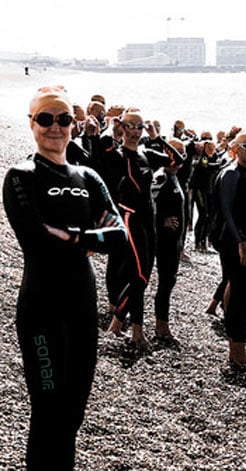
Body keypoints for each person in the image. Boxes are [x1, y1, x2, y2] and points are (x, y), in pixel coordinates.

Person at [3, 85, 127, 471]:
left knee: (72, 411)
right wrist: (88, 235)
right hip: (40, 308)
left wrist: (74, 237)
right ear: (31, 122)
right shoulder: (20, 176)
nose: (56, 127)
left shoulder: (88, 176)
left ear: (74, 124)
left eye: (63, 119)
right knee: (47, 410)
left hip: (80, 306)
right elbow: (34, 237)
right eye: (45, 119)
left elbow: (117, 236)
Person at [91, 108, 182, 349]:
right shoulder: (118, 155)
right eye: (129, 126)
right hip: (129, 219)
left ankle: (119, 325)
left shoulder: (146, 154)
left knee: (142, 276)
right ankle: (135, 331)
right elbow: (101, 148)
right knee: (139, 276)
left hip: (147, 221)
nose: (134, 131)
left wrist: (156, 137)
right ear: (122, 127)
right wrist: (112, 128)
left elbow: (176, 161)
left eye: (139, 126)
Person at [214, 131, 246, 370]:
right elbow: (226, 210)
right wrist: (240, 242)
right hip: (237, 243)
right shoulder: (231, 174)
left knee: (242, 295)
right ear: (235, 148)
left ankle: (239, 348)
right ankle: (235, 350)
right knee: (240, 297)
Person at [152, 138, 188, 340]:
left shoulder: (174, 176)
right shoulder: (161, 176)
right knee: (165, 281)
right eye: (177, 152)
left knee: (169, 281)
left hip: (174, 240)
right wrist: (161, 222)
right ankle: (161, 325)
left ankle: (162, 323)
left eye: (182, 152)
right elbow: (148, 204)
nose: (181, 156)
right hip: (163, 239)